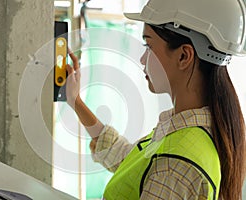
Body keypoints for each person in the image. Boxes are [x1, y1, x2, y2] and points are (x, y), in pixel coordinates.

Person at [65, 0, 246, 199]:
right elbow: (126, 159)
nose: (142, 59)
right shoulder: (190, 134)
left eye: (148, 45)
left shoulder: (175, 165)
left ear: (184, 56)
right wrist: (75, 101)